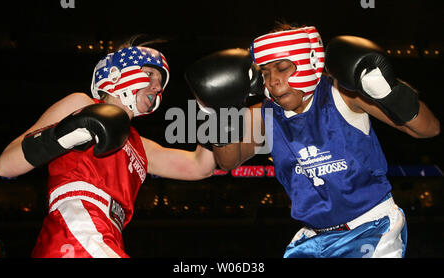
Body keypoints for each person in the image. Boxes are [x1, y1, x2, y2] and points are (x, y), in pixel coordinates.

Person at [185, 24, 440, 258]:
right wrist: (218, 113)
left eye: (283, 68)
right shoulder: (264, 114)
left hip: (371, 229)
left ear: (309, 61)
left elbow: (427, 129)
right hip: (312, 239)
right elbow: (228, 160)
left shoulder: (343, 94)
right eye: (265, 73)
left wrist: (389, 91)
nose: (273, 81)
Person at [0, 40, 216, 258]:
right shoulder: (81, 104)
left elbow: (200, 166)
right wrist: (65, 135)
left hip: (106, 235)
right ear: (116, 74)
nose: (158, 87)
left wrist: (217, 109)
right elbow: (5, 166)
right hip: (75, 227)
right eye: (150, 75)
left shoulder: (140, 144)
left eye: (160, 82)